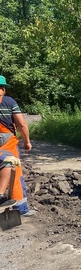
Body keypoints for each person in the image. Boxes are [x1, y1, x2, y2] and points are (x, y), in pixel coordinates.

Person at [0, 75, 34, 215]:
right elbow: (21, 124)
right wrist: (27, 141)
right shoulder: (9, 102)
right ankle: (20, 209)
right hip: (8, 143)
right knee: (14, 171)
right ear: (3, 89)